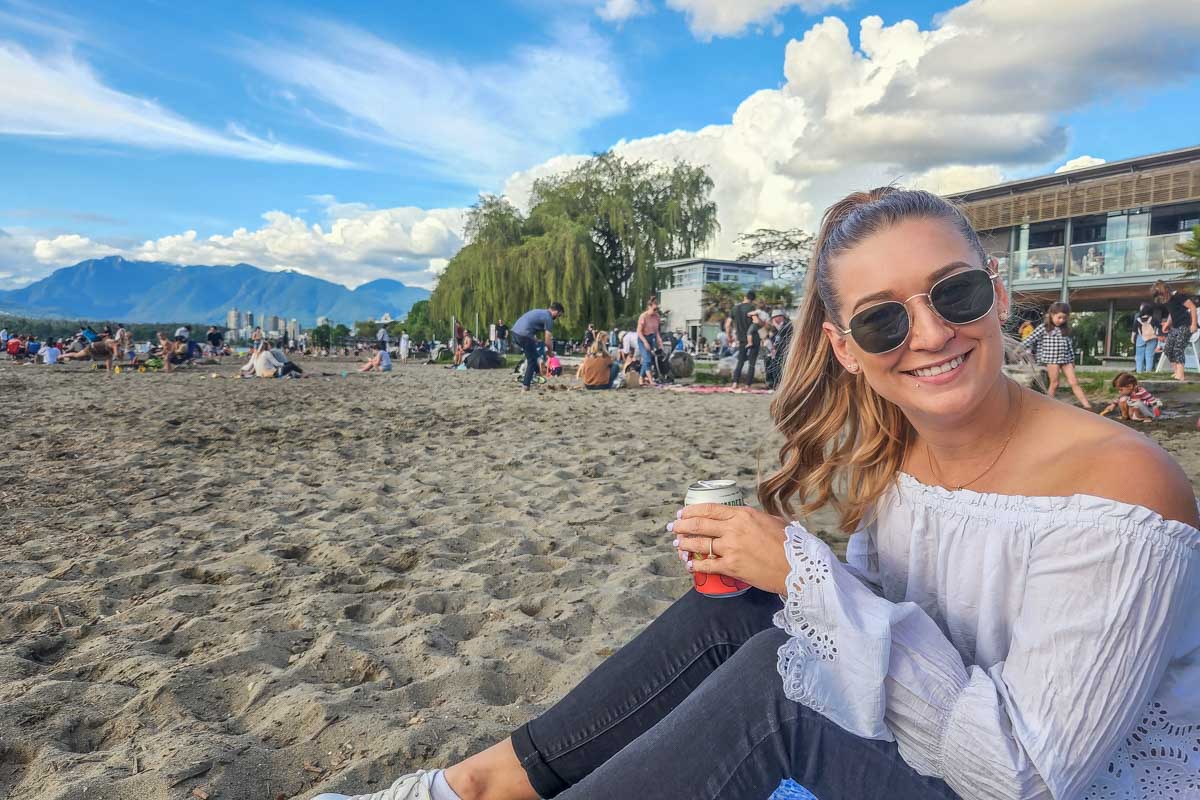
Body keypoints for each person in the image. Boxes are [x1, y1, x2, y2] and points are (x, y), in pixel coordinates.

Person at [320, 187, 1200, 800]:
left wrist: (807, 577)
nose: (931, 333)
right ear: (847, 348)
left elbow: (1025, 777)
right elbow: (894, 643)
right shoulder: (898, 461)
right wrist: (785, 576)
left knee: (776, 686)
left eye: (955, 292)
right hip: (943, 757)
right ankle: (468, 789)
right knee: (739, 617)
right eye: (883, 319)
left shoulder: (1120, 485)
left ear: (998, 296)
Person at [1022, 301, 1092, 409]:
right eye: (1059, 317)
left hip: (1066, 360)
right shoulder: (1044, 327)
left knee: (1074, 382)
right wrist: (1017, 348)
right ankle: (1047, 405)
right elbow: (1030, 339)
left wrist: (1072, 360)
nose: (1062, 320)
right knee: (1055, 383)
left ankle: (1087, 406)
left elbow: (1069, 346)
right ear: (1052, 315)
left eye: (1064, 318)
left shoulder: (1065, 329)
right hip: (1052, 360)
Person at [511, 303, 564, 391]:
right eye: (558, 315)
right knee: (532, 360)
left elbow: (529, 323)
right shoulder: (548, 318)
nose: (557, 318)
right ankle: (526, 385)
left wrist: (534, 339)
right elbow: (548, 339)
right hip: (525, 335)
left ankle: (538, 372)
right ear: (556, 311)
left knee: (533, 355)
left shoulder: (539, 312)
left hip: (515, 333)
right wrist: (550, 352)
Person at [1156, 280, 1198, 381]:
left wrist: (1193, 324)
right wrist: (1167, 324)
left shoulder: (1178, 296)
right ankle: (1176, 372)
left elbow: (1192, 307)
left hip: (1186, 325)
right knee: (1168, 349)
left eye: (1162, 295)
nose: (1161, 298)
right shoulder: (1167, 300)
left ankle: (1181, 375)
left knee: (1178, 348)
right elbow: (1172, 312)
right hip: (1175, 326)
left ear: (1166, 291)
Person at [730, 289, 761, 391]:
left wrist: (729, 336)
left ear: (745, 297)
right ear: (753, 299)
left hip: (741, 339)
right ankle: (748, 385)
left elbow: (727, 324)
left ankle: (735, 383)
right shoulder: (752, 308)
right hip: (753, 337)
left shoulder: (735, 308)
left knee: (740, 362)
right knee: (752, 363)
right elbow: (756, 321)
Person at [1131, 299, 1167, 373]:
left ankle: (1139, 371)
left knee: (1139, 356)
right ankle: (1148, 371)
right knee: (1149, 355)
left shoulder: (1138, 320)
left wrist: (1132, 339)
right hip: (1152, 338)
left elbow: (1134, 331)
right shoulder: (1153, 319)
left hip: (1140, 338)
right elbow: (1160, 327)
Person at [636, 297, 662, 387]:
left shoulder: (657, 317)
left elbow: (657, 331)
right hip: (643, 338)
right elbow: (639, 332)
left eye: (657, 309)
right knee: (647, 359)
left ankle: (640, 378)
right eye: (654, 309)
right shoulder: (643, 316)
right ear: (649, 307)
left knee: (649, 359)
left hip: (652, 337)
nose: (655, 311)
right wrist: (645, 342)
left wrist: (660, 341)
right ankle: (651, 380)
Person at [765, 309, 794, 390]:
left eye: (776, 317)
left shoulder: (787, 325)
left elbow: (782, 334)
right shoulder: (773, 327)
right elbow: (771, 337)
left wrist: (775, 326)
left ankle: (781, 383)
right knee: (771, 364)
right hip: (774, 350)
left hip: (784, 349)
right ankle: (772, 383)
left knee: (782, 366)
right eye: (773, 317)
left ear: (781, 317)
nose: (774, 319)